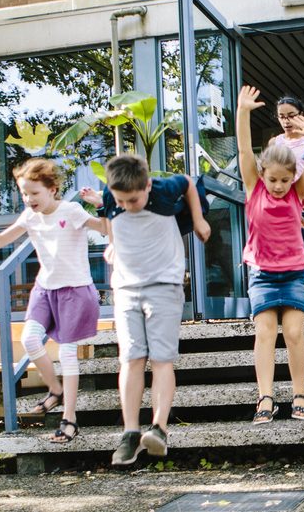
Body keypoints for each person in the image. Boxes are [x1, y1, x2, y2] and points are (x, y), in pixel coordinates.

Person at [0, 158, 106, 444]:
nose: (29, 199)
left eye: (34, 193)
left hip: (75, 291)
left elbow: (107, 229)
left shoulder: (71, 210)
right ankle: (55, 389)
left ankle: (69, 420)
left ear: (53, 189)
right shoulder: (29, 216)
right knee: (30, 340)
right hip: (44, 289)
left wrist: (102, 205)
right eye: (25, 194)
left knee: (67, 353)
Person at [81, 154, 210, 466]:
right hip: (125, 289)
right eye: (120, 199)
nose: (126, 204)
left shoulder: (165, 191)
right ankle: (129, 432)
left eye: (133, 199)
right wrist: (113, 242)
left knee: (161, 359)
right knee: (131, 358)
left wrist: (199, 220)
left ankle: (159, 428)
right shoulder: (113, 200)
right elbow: (112, 219)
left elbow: (190, 183)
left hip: (164, 286)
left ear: (148, 185)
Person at [236, 85, 304, 424]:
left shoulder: (295, 194)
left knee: (295, 333)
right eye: (273, 179)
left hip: (294, 273)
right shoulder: (254, 189)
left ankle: (300, 394)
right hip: (262, 273)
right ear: (264, 175)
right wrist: (243, 113)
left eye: (285, 180)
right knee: (265, 333)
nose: (278, 186)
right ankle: (265, 398)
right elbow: (244, 151)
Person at [269, 96, 304, 313]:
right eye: (282, 116)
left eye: (291, 115)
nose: (286, 121)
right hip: (285, 207)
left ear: (301, 115)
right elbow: (270, 175)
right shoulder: (275, 143)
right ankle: (295, 302)